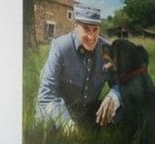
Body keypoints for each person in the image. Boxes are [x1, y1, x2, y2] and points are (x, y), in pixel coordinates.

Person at [37, 3, 122, 131]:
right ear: (76, 26)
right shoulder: (60, 47)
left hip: (88, 111)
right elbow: (47, 94)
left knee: (126, 110)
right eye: (86, 29)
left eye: (95, 30)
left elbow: (122, 82)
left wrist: (114, 95)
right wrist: (66, 123)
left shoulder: (107, 50)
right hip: (61, 108)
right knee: (46, 125)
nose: (92, 37)